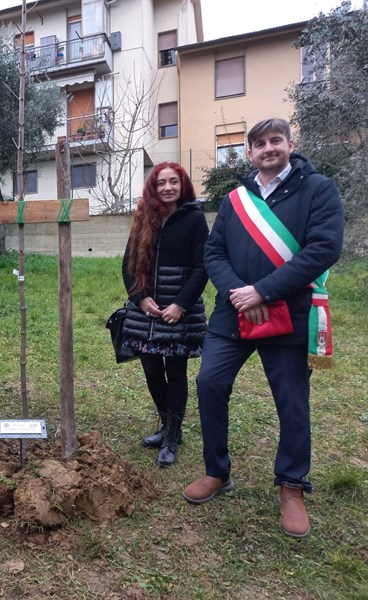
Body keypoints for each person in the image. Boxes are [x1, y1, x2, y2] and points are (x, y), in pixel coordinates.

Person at [182, 118, 344, 538]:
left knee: (291, 402)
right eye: (260, 144)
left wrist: (264, 292)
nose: (268, 149)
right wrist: (240, 292)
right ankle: (217, 472)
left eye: (276, 141)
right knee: (209, 383)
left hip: (288, 314)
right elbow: (213, 252)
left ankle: (292, 487)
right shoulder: (236, 199)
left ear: (291, 144)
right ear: (250, 152)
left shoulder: (318, 190)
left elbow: (324, 249)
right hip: (233, 313)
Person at [120, 162, 209, 468]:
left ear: (182, 185)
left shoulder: (195, 219)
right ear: (153, 187)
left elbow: (202, 267)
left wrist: (180, 305)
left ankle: (172, 435)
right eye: (161, 183)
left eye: (174, 182)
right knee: (152, 373)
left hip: (178, 313)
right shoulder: (145, 217)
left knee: (176, 373)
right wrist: (141, 299)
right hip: (147, 313)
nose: (168, 187)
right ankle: (166, 423)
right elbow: (128, 265)